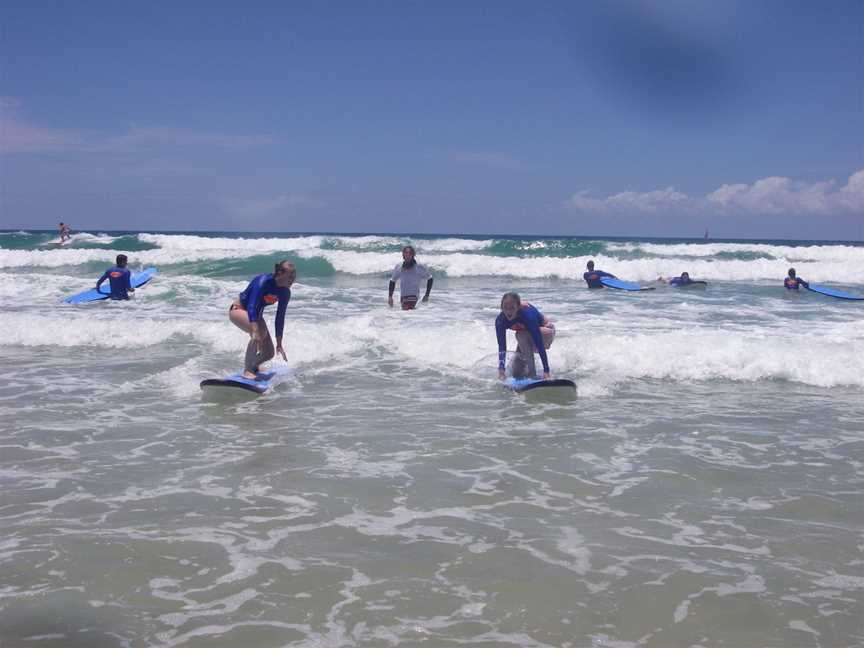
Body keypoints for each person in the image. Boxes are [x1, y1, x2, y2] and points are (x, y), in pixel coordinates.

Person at [230, 261, 295, 379]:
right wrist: (255, 330)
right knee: (259, 332)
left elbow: (280, 317)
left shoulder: (285, 292)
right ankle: (248, 370)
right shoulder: (263, 281)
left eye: (294, 276)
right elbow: (251, 305)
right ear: (280, 273)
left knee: (269, 352)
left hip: (256, 316)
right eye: (290, 276)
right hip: (238, 310)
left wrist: (279, 343)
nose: (292, 279)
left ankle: (254, 365)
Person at [495, 292, 556, 380]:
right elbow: (502, 346)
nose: (508, 311)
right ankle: (528, 373)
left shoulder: (527, 316)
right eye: (505, 308)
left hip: (547, 332)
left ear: (518, 307)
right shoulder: (500, 320)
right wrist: (501, 371)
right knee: (516, 372)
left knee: (521, 335)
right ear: (501, 308)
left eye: (512, 308)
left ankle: (532, 374)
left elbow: (539, 343)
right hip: (528, 337)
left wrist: (546, 371)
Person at [388, 245, 433, 310]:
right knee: (406, 316)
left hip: (414, 297)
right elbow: (392, 281)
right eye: (406, 253)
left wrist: (427, 295)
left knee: (407, 312)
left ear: (413, 255)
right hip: (403, 297)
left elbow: (430, 278)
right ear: (403, 255)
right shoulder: (399, 266)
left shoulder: (419, 267)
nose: (408, 255)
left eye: (410, 253)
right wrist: (390, 297)